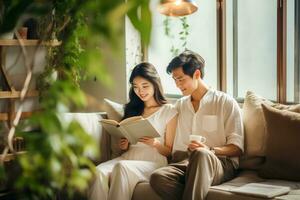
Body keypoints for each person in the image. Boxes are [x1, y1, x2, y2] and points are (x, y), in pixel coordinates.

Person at [149, 50, 244, 200]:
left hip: (219, 162)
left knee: (201, 154)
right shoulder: (179, 106)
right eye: (174, 80)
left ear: (197, 74)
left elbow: (237, 148)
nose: (177, 85)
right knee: (157, 177)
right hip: (186, 162)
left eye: (181, 79)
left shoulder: (225, 102)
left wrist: (209, 150)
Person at [89, 62, 178, 200]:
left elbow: (169, 152)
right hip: (128, 157)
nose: (140, 91)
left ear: (155, 84)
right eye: (136, 87)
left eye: (145, 86)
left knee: (121, 167)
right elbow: (127, 143)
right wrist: (124, 145)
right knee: (98, 171)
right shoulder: (133, 109)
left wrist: (154, 143)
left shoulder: (169, 110)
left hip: (154, 161)